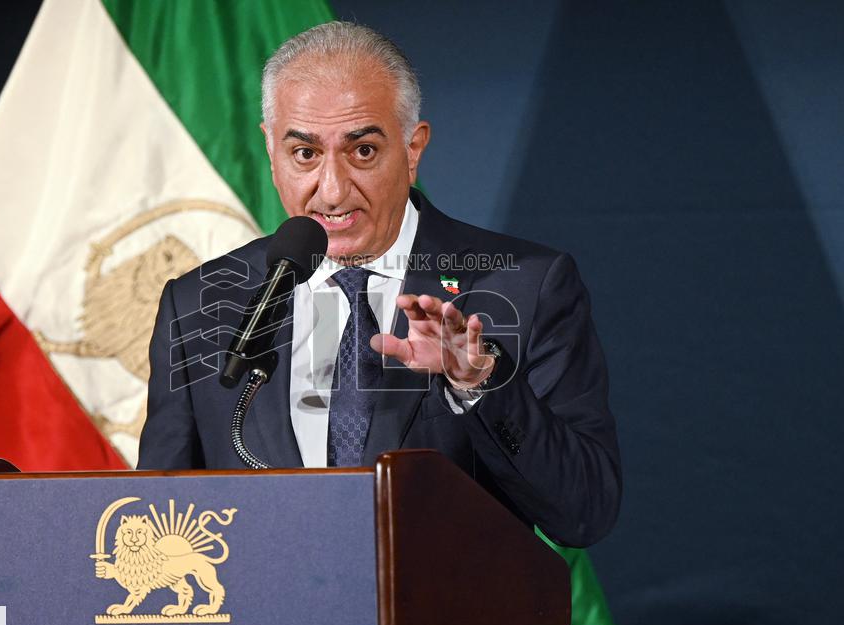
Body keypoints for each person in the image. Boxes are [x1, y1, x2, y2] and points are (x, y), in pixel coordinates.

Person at [138, 21, 620, 550]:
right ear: (271, 150)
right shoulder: (200, 306)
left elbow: (585, 512)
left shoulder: (525, 285)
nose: (333, 188)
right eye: (304, 154)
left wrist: (482, 384)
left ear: (413, 149)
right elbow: (165, 515)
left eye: (363, 151)